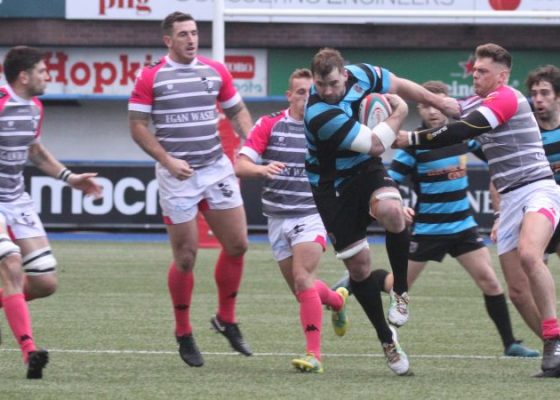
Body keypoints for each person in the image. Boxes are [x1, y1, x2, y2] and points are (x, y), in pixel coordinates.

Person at [395, 43, 560, 377]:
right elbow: (440, 102)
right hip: (510, 200)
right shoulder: (475, 102)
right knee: (517, 292)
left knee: (530, 255)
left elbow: (461, 130)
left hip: (538, 189)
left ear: (502, 76)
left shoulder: (507, 98)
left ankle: (554, 339)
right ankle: (554, 348)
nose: (475, 76)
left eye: (483, 72)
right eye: (474, 71)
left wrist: (409, 138)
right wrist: (390, 83)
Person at [304, 47, 459, 375]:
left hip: (366, 169)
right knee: (359, 268)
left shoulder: (362, 75)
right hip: (333, 188)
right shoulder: (318, 113)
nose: (328, 91)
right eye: (321, 85)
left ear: (345, 75)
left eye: (333, 83)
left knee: (392, 211)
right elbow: (376, 144)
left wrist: (440, 102)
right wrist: (400, 112)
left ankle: (400, 290)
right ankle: (387, 340)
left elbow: (399, 83)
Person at [128, 11, 254, 368]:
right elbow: (137, 126)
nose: (191, 39)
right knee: (186, 257)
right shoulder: (151, 76)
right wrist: (167, 160)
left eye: (195, 33)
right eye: (183, 34)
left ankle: (226, 318)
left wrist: (249, 145)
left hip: (215, 169)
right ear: (168, 40)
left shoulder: (215, 71)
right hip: (177, 176)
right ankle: (183, 331)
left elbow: (238, 112)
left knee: (238, 244)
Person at [387, 80, 538, 358]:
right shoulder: (412, 145)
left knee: (491, 282)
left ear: (445, 106)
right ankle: (357, 281)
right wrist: (398, 203)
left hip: (463, 227)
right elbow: (389, 180)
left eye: (437, 105)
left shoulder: (461, 138)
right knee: (394, 286)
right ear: (419, 109)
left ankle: (510, 344)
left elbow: (495, 155)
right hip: (429, 230)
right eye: (426, 106)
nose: (433, 111)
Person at [236, 68, 348, 373]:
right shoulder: (269, 124)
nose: (306, 98)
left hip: (312, 214)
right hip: (277, 219)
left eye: (312, 92)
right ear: (289, 96)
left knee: (302, 278)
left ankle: (314, 355)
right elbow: (241, 165)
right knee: (303, 290)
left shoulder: (327, 127)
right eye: (300, 92)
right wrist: (261, 169)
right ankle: (337, 301)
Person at [0, 46, 102, 379]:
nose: (48, 76)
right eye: (42, 71)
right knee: (11, 264)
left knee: (44, 282)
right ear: (23, 76)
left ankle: (16, 312)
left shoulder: (35, 108)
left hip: (16, 200)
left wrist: (71, 178)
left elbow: (36, 152)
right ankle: (29, 350)